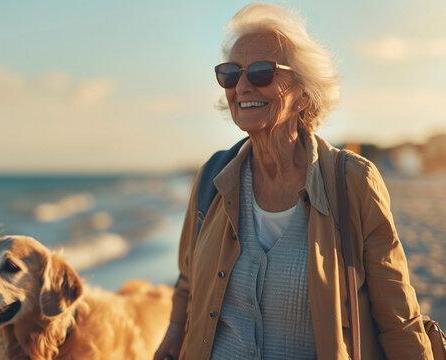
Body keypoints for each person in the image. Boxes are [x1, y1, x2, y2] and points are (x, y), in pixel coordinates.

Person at [154, 2, 434, 360]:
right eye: (229, 73)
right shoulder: (213, 176)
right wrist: (176, 331)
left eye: (260, 72)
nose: (241, 86)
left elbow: (398, 318)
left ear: (303, 92)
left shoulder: (354, 181)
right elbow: (189, 277)